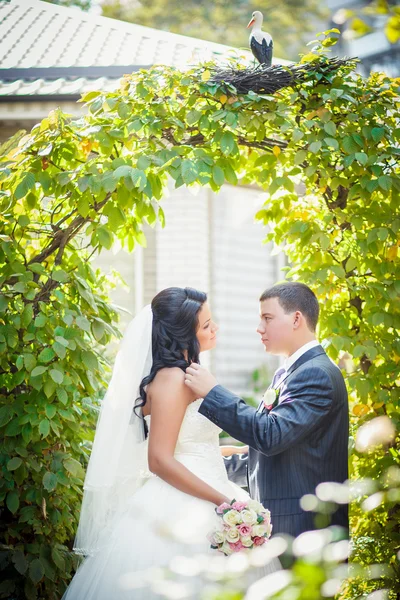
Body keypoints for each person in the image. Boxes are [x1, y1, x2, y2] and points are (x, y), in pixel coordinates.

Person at [62, 287, 276, 600]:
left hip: (203, 486)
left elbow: (185, 444)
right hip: (183, 504)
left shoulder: (189, 374)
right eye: (206, 326)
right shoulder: (173, 379)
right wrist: (225, 502)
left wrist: (233, 451)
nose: (215, 328)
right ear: (181, 336)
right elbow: (160, 459)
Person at [185, 282, 349, 538]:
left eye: (267, 318)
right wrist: (203, 464)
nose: (259, 328)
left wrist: (213, 393)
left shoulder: (315, 374)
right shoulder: (291, 372)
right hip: (287, 526)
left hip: (305, 531)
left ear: (296, 319)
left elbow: (270, 436)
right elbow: (278, 455)